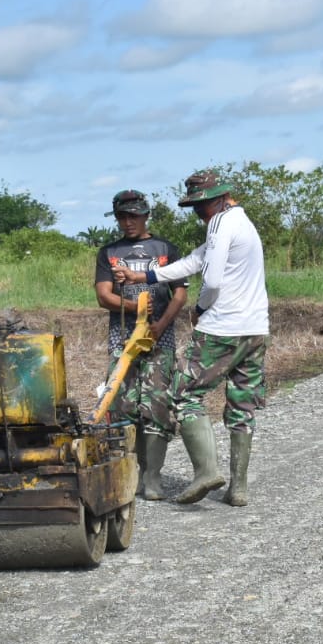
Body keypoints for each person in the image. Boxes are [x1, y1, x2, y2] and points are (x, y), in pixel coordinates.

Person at [114, 170, 270, 506]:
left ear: (218, 199)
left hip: (223, 327)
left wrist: (200, 307)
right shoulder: (241, 222)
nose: (199, 214)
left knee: (184, 394)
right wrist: (142, 274)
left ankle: (206, 472)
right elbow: (194, 261)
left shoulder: (220, 223)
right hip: (256, 328)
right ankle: (238, 488)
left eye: (200, 206)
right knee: (243, 405)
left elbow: (211, 280)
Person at [94, 189, 188, 500]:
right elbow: (103, 295)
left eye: (133, 215)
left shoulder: (166, 249)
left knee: (157, 405)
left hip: (161, 339)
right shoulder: (108, 253)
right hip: (122, 340)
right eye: (122, 216)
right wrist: (134, 308)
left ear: (146, 214)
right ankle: (130, 473)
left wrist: (161, 325)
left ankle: (153, 476)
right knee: (121, 406)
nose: (128, 222)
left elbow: (180, 294)